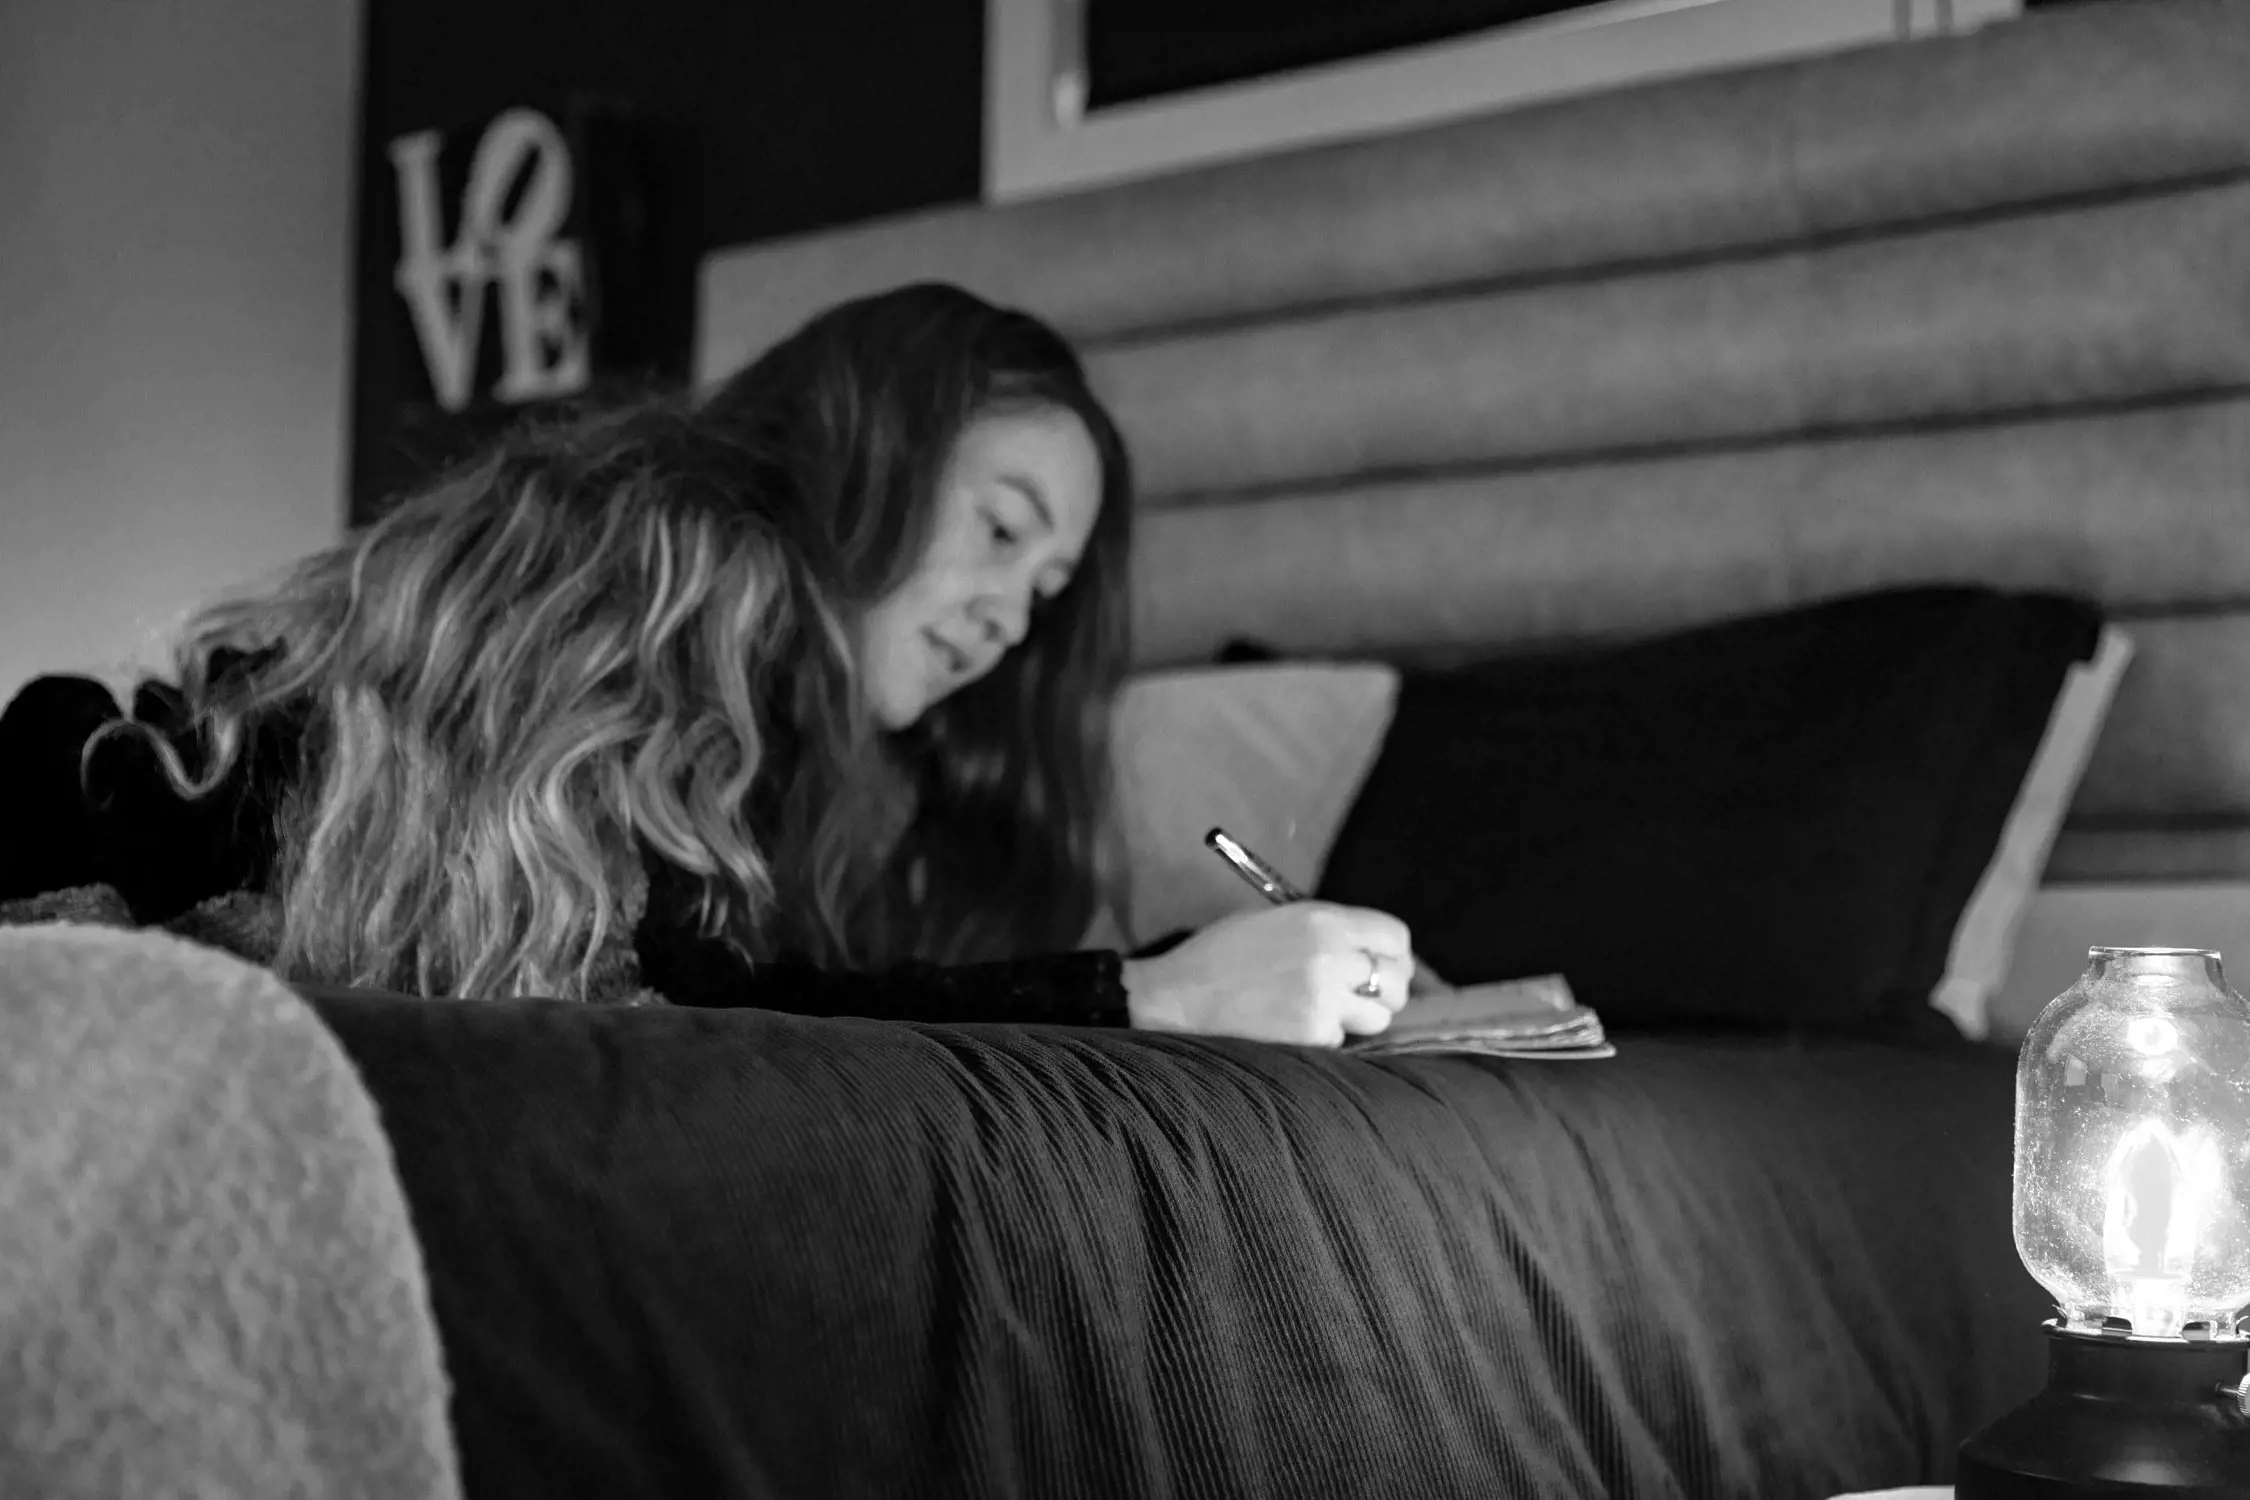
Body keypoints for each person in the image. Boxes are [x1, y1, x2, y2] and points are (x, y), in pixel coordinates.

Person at [0, 285, 1414, 1046]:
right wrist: (1147, 998)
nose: (1009, 620)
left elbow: (724, 986)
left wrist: (1144, 985)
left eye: (1046, 593)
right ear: (868, 451)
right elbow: (675, 1000)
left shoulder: (824, 755)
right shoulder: (677, 558)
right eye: (997, 530)